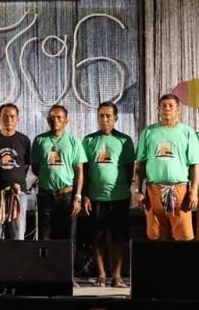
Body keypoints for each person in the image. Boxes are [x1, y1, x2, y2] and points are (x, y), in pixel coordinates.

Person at [82, 102, 134, 288]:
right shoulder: (89, 140)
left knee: (119, 238)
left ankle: (117, 275)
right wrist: (85, 195)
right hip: (95, 198)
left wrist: (122, 189)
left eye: (108, 116)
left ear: (116, 118)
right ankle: (102, 275)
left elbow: (129, 169)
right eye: (101, 116)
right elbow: (84, 170)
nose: (104, 119)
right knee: (97, 238)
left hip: (119, 198)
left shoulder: (124, 141)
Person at [134, 93, 199, 241]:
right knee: (156, 236)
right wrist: (137, 191)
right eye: (163, 106)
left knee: (184, 237)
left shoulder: (187, 132)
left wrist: (194, 191)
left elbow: (195, 165)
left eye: (171, 106)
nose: (167, 109)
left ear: (178, 110)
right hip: (153, 190)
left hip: (180, 191)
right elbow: (139, 165)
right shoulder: (148, 132)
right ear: (158, 109)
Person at [31, 105, 86, 240]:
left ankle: (68, 256)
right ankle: (46, 256)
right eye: (52, 117)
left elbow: (80, 170)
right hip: (46, 195)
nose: (55, 120)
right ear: (47, 120)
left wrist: (78, 197)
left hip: (67, 195)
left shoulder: (74, 141)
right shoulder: (40, 140)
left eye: (59, 117)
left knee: (68, 236)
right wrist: (49, 177)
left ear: (66, 121)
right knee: (45, 235)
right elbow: (35, 167)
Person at [0, 103, 30, 240]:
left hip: (18, 194)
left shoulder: (24, 140)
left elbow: (27, 165)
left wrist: (16, 181)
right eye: (5, 116)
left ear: (18, 119)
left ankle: (17, 255)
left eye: (12, 116)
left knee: (18, 234)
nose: (9, 119)